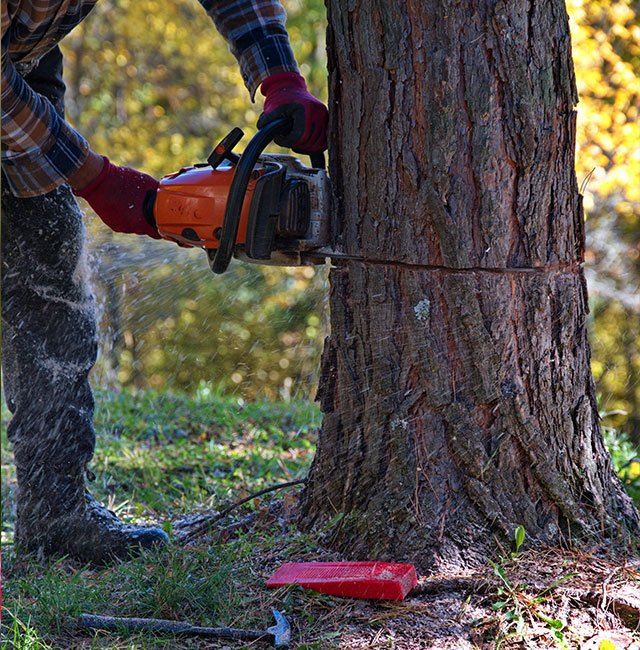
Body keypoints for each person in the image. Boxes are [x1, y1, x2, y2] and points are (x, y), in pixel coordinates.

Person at [1, 0, 328, 564]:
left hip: (22, 67)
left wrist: (279, 76)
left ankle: (55, 515)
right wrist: (97, 179)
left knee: (50, 284)